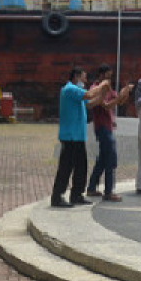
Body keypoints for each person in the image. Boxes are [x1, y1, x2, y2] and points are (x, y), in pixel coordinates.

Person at [51, 67, 109, 208]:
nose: (85, 81)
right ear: (76, 77)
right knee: (66, 167)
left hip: (78, 137)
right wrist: (102, 85)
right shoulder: (69, 89)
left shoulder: (76, 94)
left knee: (81, 167)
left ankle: (76, 194)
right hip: (70, 136)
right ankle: (57, 197)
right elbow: (89, 95)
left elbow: (89, 103)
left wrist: (102, 94)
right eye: (83, 78)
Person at [86, 64, 133, 202]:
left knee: (102, 160)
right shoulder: (96, 89)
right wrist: (119, 98)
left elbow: (119, 101)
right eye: (107, 76)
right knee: (110, 159)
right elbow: (107, 105)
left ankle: (91, 188)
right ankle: (108, 192)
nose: (109, 79)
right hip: (102, 127)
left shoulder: (107, 88)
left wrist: (125, 92)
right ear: (101, 75)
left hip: (107, 127)